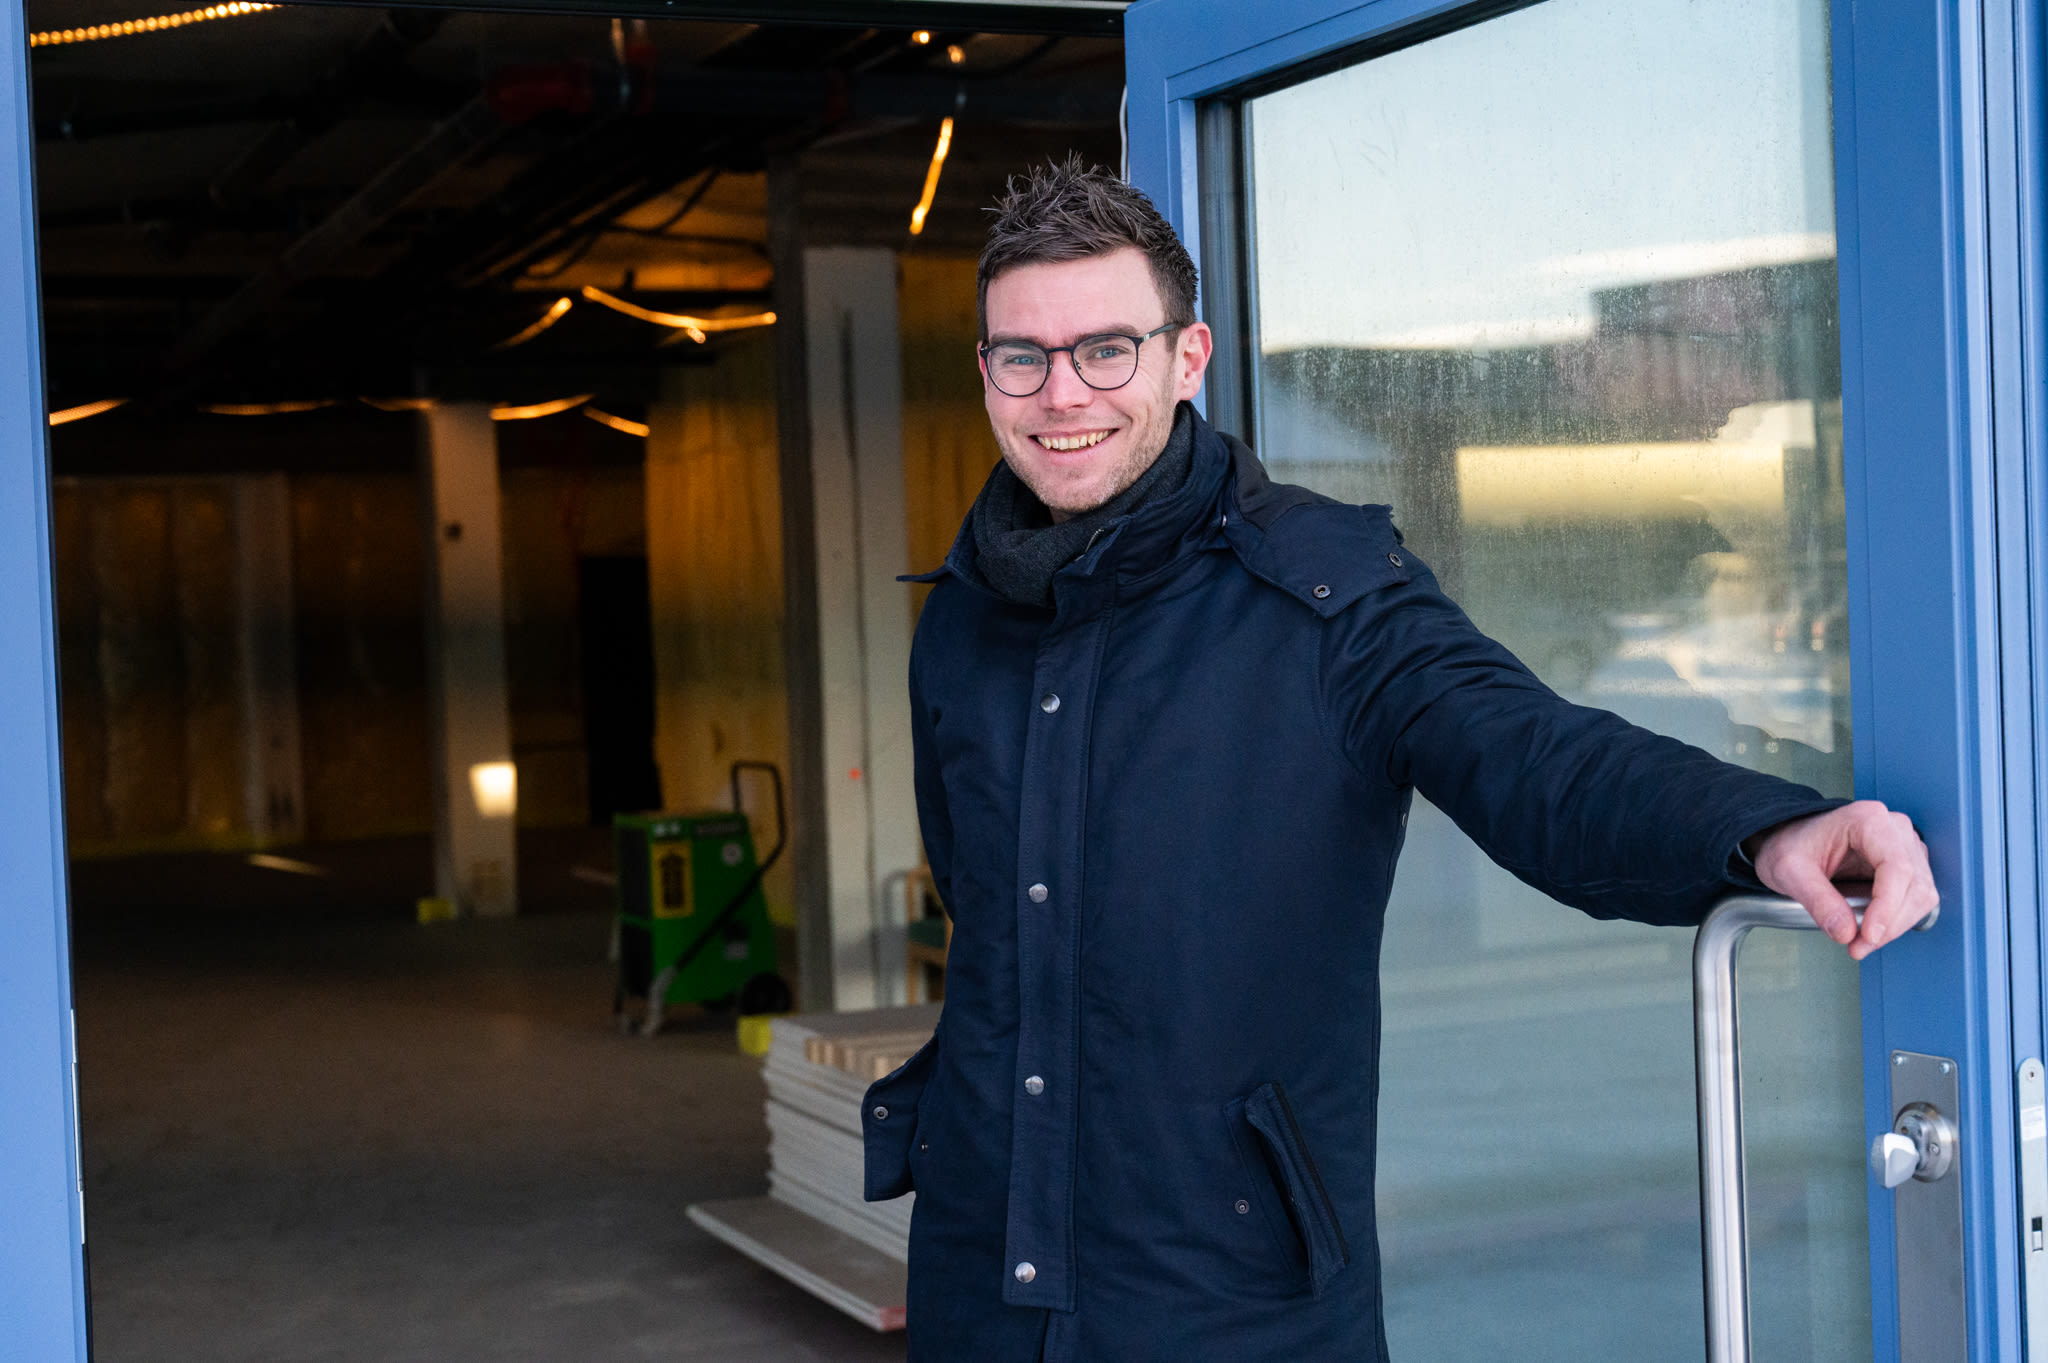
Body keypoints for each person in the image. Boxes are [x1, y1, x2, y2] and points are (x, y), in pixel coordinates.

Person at [861, 157, 1937, 1362]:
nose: (1062, 392)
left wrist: (1766, 828)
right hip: (980, 1285)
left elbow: (1536, 759)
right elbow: (984, 913)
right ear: (986, 373)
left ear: (1186, 357)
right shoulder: (963, 618)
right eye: (1024, 356)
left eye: (1105, 350)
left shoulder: (1321, 593)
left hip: (1233, 1298)